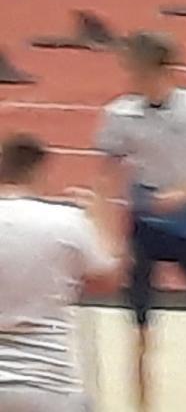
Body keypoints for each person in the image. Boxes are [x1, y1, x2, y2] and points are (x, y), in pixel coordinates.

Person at [95, 34, 186, 412]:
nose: (133, 77)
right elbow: (104, 178)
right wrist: (104, 232)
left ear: (164, 70)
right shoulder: (120, 114)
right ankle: (141, 406)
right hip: (143, 225)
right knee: (140, 329)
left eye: (139, 70)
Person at [0, 134, 120, 412]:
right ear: (39, 171)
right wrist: (101, 218)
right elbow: (107, 281)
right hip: (49, 383)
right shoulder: (67, 220)